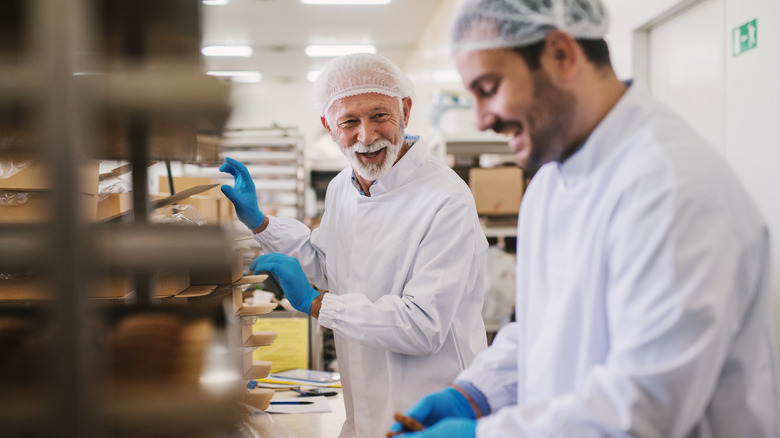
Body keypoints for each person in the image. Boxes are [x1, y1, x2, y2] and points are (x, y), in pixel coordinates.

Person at [390, 0, 780, 437]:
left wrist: (481, 435)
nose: (482, 119)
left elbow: (642, 408)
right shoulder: (550, 184)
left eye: (489, 87)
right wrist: (473, 395)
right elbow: (542, 331)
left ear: (561, 54)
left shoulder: (672, 188)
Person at [220, 53, 489, 437]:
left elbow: (423, 326)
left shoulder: (446, 200)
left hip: (431, 417)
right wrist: (261, 223)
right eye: (349, 121)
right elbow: (331, 267)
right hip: (363, 414)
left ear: (405, 110)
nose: (366, 136)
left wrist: (318, 304)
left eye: (380, 115)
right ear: (328, 126)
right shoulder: (341, 188)